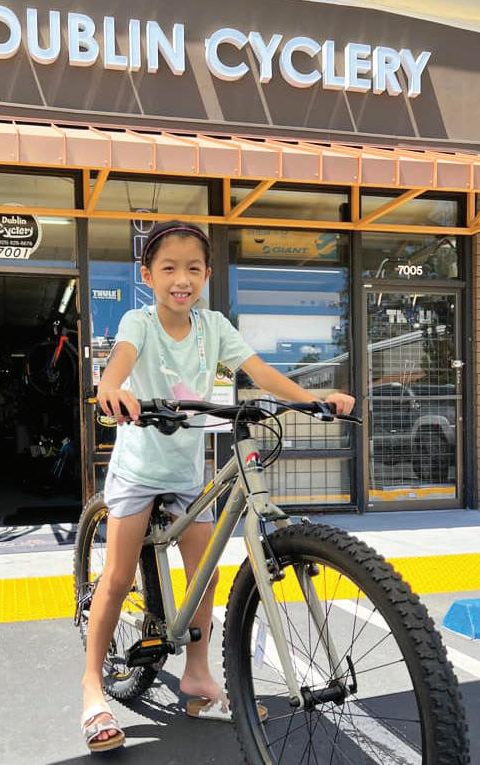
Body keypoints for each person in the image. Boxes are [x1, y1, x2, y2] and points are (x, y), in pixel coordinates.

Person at [80, 220, 355, 752]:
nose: (181, 279)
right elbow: (120, 362)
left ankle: (197, 677)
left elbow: (258, 370)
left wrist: (310, 399)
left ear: (207, 274)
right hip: (138, 468)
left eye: (192, 269)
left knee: (203, 577)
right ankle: (93, 686)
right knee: (116, 577)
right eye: (168, 269)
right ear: (147, 275)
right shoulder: (140, 321)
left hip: (187, 472)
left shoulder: (213, 327)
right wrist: (112, 388)